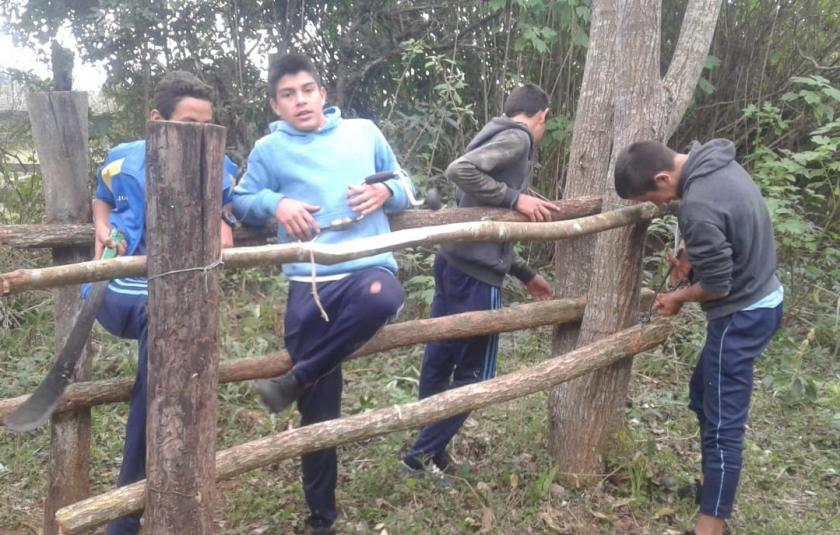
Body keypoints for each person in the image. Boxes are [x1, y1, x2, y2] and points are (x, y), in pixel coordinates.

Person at [231, 53, 415, 535]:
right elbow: (241, 200)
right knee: (320, 410)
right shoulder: (269, 150)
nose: (301, 101)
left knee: (383, 296)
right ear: (275, 104)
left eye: (307, 90)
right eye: (288, 95)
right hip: (310, 283)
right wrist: (279, 203)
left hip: (367, 269)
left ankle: (296, 377)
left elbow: (405, 183)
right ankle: (321, 518)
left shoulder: (364, 133)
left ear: (323, 94)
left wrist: (385, 195)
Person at [88, 70, 238, 535]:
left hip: (178, 294)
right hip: (117, 288)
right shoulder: (123, 161)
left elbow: (228, 214)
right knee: (166, 327)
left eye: (207, 126)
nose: (200, 136)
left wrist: (223, 220)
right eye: (189, 124)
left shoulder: (220, 164)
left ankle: (132, 505)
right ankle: (128, 509)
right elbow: (101, 195)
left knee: (157, 370)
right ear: (157, 122)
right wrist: (101, 225)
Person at [614, 139, 784, 535]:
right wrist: (691, 260)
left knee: (723, 419)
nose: (657, 207)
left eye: (651, 198)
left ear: (662, 177)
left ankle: (711, 528)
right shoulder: (710, 162)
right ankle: (712, 486)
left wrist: (678, 296)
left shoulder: (698, 204)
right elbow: (725, 232)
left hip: (742, 313)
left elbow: (720, 285)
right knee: (702, 393)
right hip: (760, 298)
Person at [401, 83, 560, 479]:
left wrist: (525, 274)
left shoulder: (492, 131)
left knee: (440, 359)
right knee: (477, 374)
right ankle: (420, 456)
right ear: (542, 115)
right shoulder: (519, 138)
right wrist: (515, 198)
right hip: (476, 276)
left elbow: (480, 214)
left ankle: (432, 451)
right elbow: (461, 170)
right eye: (545, 123)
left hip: (453, 260)